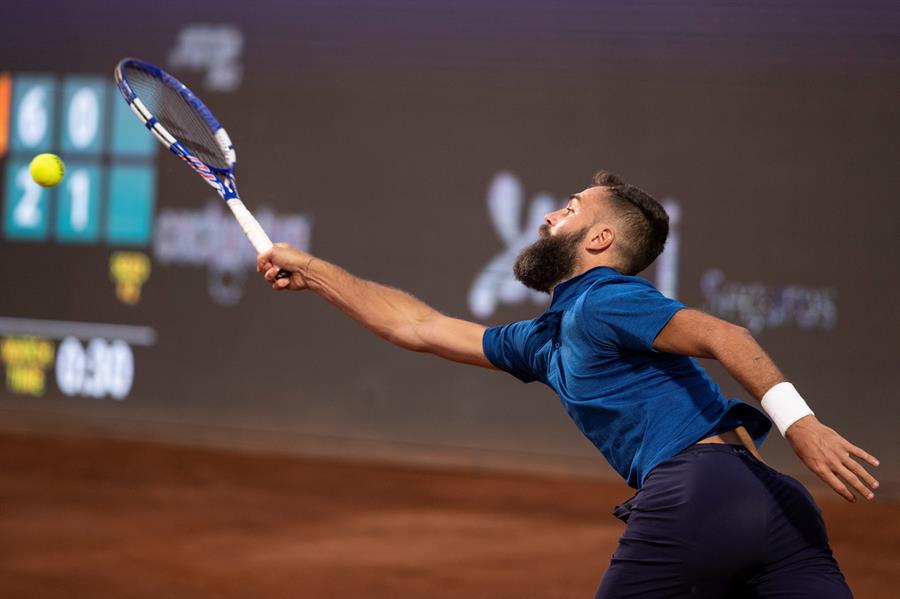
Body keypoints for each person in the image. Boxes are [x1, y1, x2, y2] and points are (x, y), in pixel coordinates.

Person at [256, 171, 879, 598]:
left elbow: (727, 337)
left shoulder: (604, 299)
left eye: (571, 209)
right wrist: (315, 272)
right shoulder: (547, 337)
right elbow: (417, 326)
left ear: (599, 240)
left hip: (697, 497)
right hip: (777, 504)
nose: (550, 215)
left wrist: (801, 424)